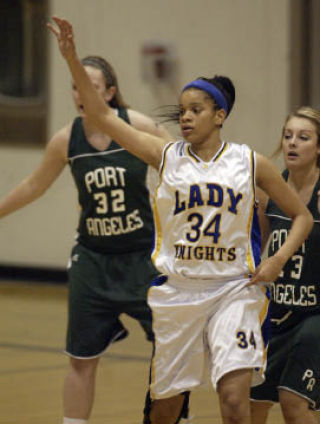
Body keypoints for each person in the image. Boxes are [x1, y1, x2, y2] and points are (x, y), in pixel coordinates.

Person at [48, 16, 314, 424]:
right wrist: (69, 58)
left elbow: (301, 217)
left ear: (219, 115)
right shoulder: (165, 155)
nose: (185, 117)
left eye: (196, 110)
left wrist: (277, 260)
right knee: (166, 408)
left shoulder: (249, 162)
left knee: (233, 402)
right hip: (180, 292)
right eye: (182, 111)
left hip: (234, 290)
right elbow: (101, 116)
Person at [0, 49, 189, 423]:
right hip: (93, 260)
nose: (79, 92)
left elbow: (179, 160)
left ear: (109, 93)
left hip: (144, 258)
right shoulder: (66, 139)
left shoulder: (136, 126)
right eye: (74, 85)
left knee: (171, 349)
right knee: (81, 358)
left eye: (89, 85)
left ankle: (177, 417)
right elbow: (34, 184)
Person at [250, 107, 320, 424]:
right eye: (288, 136)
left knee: (293, 401)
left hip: (314, 314)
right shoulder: (270, 188)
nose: (292, 143)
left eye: (303, 137)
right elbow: (255, 249)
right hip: (275, 313)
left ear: (318, 147)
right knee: (251, 404)